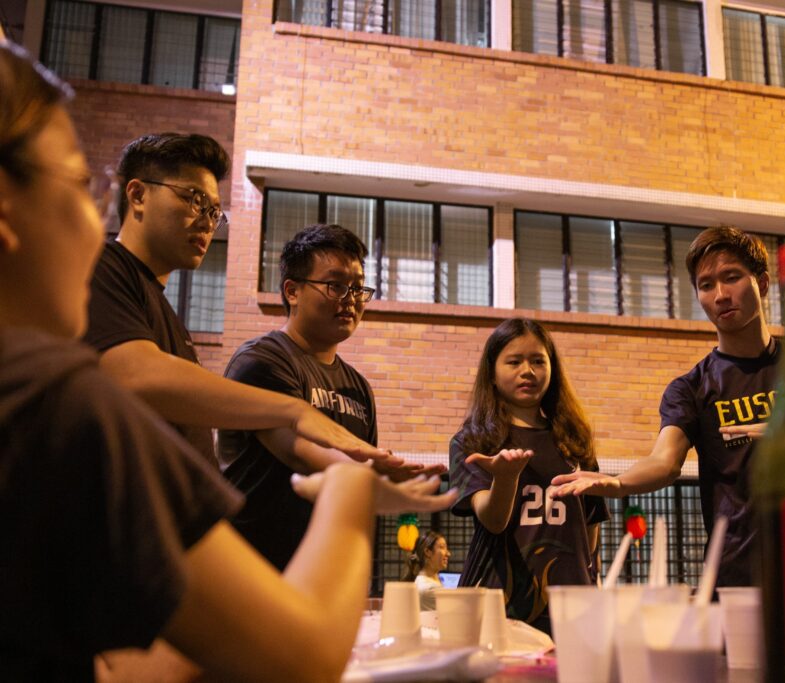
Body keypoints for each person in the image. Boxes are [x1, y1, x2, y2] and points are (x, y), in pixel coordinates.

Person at [0, 40, 456, 682]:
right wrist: (348, 489)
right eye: (81, 183)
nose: (208, 221)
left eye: (215, 209)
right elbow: (302, 656)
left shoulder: (157, 327)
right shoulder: (51, 391)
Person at [81, 130, 396, 471]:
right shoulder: (103, 266)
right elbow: (136, 373)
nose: (207, 223)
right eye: (194, 200)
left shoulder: (165, 315)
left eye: (215, 212)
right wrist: (295, 411)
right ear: (138, 195)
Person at [552, 226, 779, 587]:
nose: (720, 295)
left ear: (762, 283)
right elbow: (664, 462)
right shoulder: (691, 388)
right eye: (706, 285)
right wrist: (618, 483)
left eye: (732, 277)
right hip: (737, 575)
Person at [217, 224, 438, 569]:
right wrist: (375, 475)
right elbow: (298, 451)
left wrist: (385, 476)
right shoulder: (261, 360)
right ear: (293, 291)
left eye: (357, 288)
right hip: (254, 568)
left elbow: (360, 479)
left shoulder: (358, 387)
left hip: (328, 567)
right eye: (336, 286)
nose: (351, 299)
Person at [449, 318, 609, 633]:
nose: (528, 371)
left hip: (573, 607)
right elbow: (493, 521)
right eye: (514, 362)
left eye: (538, 361)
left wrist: (592, 580)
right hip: (501, 608)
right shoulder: (472, 442)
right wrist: (505, 478)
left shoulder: (574, 439)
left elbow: (590, 524)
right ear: (492, 373)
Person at [400, 531, 452, 609]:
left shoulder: (426, 580)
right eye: (442, 547)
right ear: (428, 552)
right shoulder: (429, 588)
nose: (448, 554)